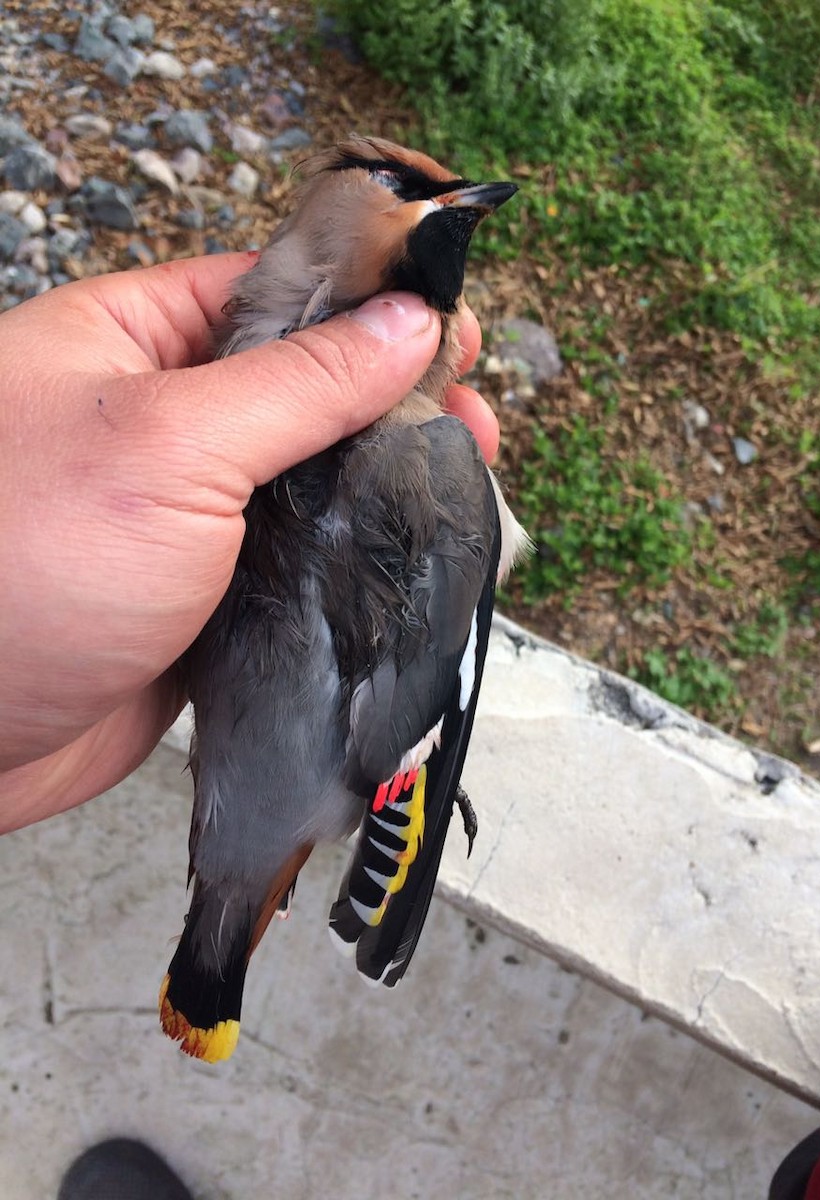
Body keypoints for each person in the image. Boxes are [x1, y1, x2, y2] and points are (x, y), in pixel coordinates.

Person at [0, 254, 499, 1199]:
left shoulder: (276, 414)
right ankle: (210, 964)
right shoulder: (436, 466)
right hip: (326, 755)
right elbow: (449, 680)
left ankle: (212, 959)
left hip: (310, 753)